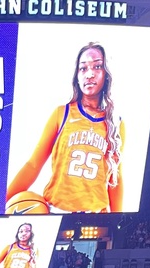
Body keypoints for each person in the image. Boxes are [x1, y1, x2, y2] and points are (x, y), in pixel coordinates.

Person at [6, 42, 124, 214]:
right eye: (83, 68)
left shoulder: (116, 123)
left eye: (97, 66)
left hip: (96, 216)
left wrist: (117, 219)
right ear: (76, 75)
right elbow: (33, 164)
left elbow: (116, 178)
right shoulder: (62, 114)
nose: (89, 74)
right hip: (56, 211)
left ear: (106, 74)